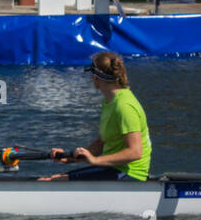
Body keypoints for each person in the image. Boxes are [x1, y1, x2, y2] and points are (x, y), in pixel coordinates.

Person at [40, 51, 151, 181]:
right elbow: (101, 144)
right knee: (54, 179)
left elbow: (135, 152)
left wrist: (95, 160)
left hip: (131, 174)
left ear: (96, 77)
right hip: (113, 169)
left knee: (53, 182)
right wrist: (68, 157)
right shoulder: (109, 101)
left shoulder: (124, 106)